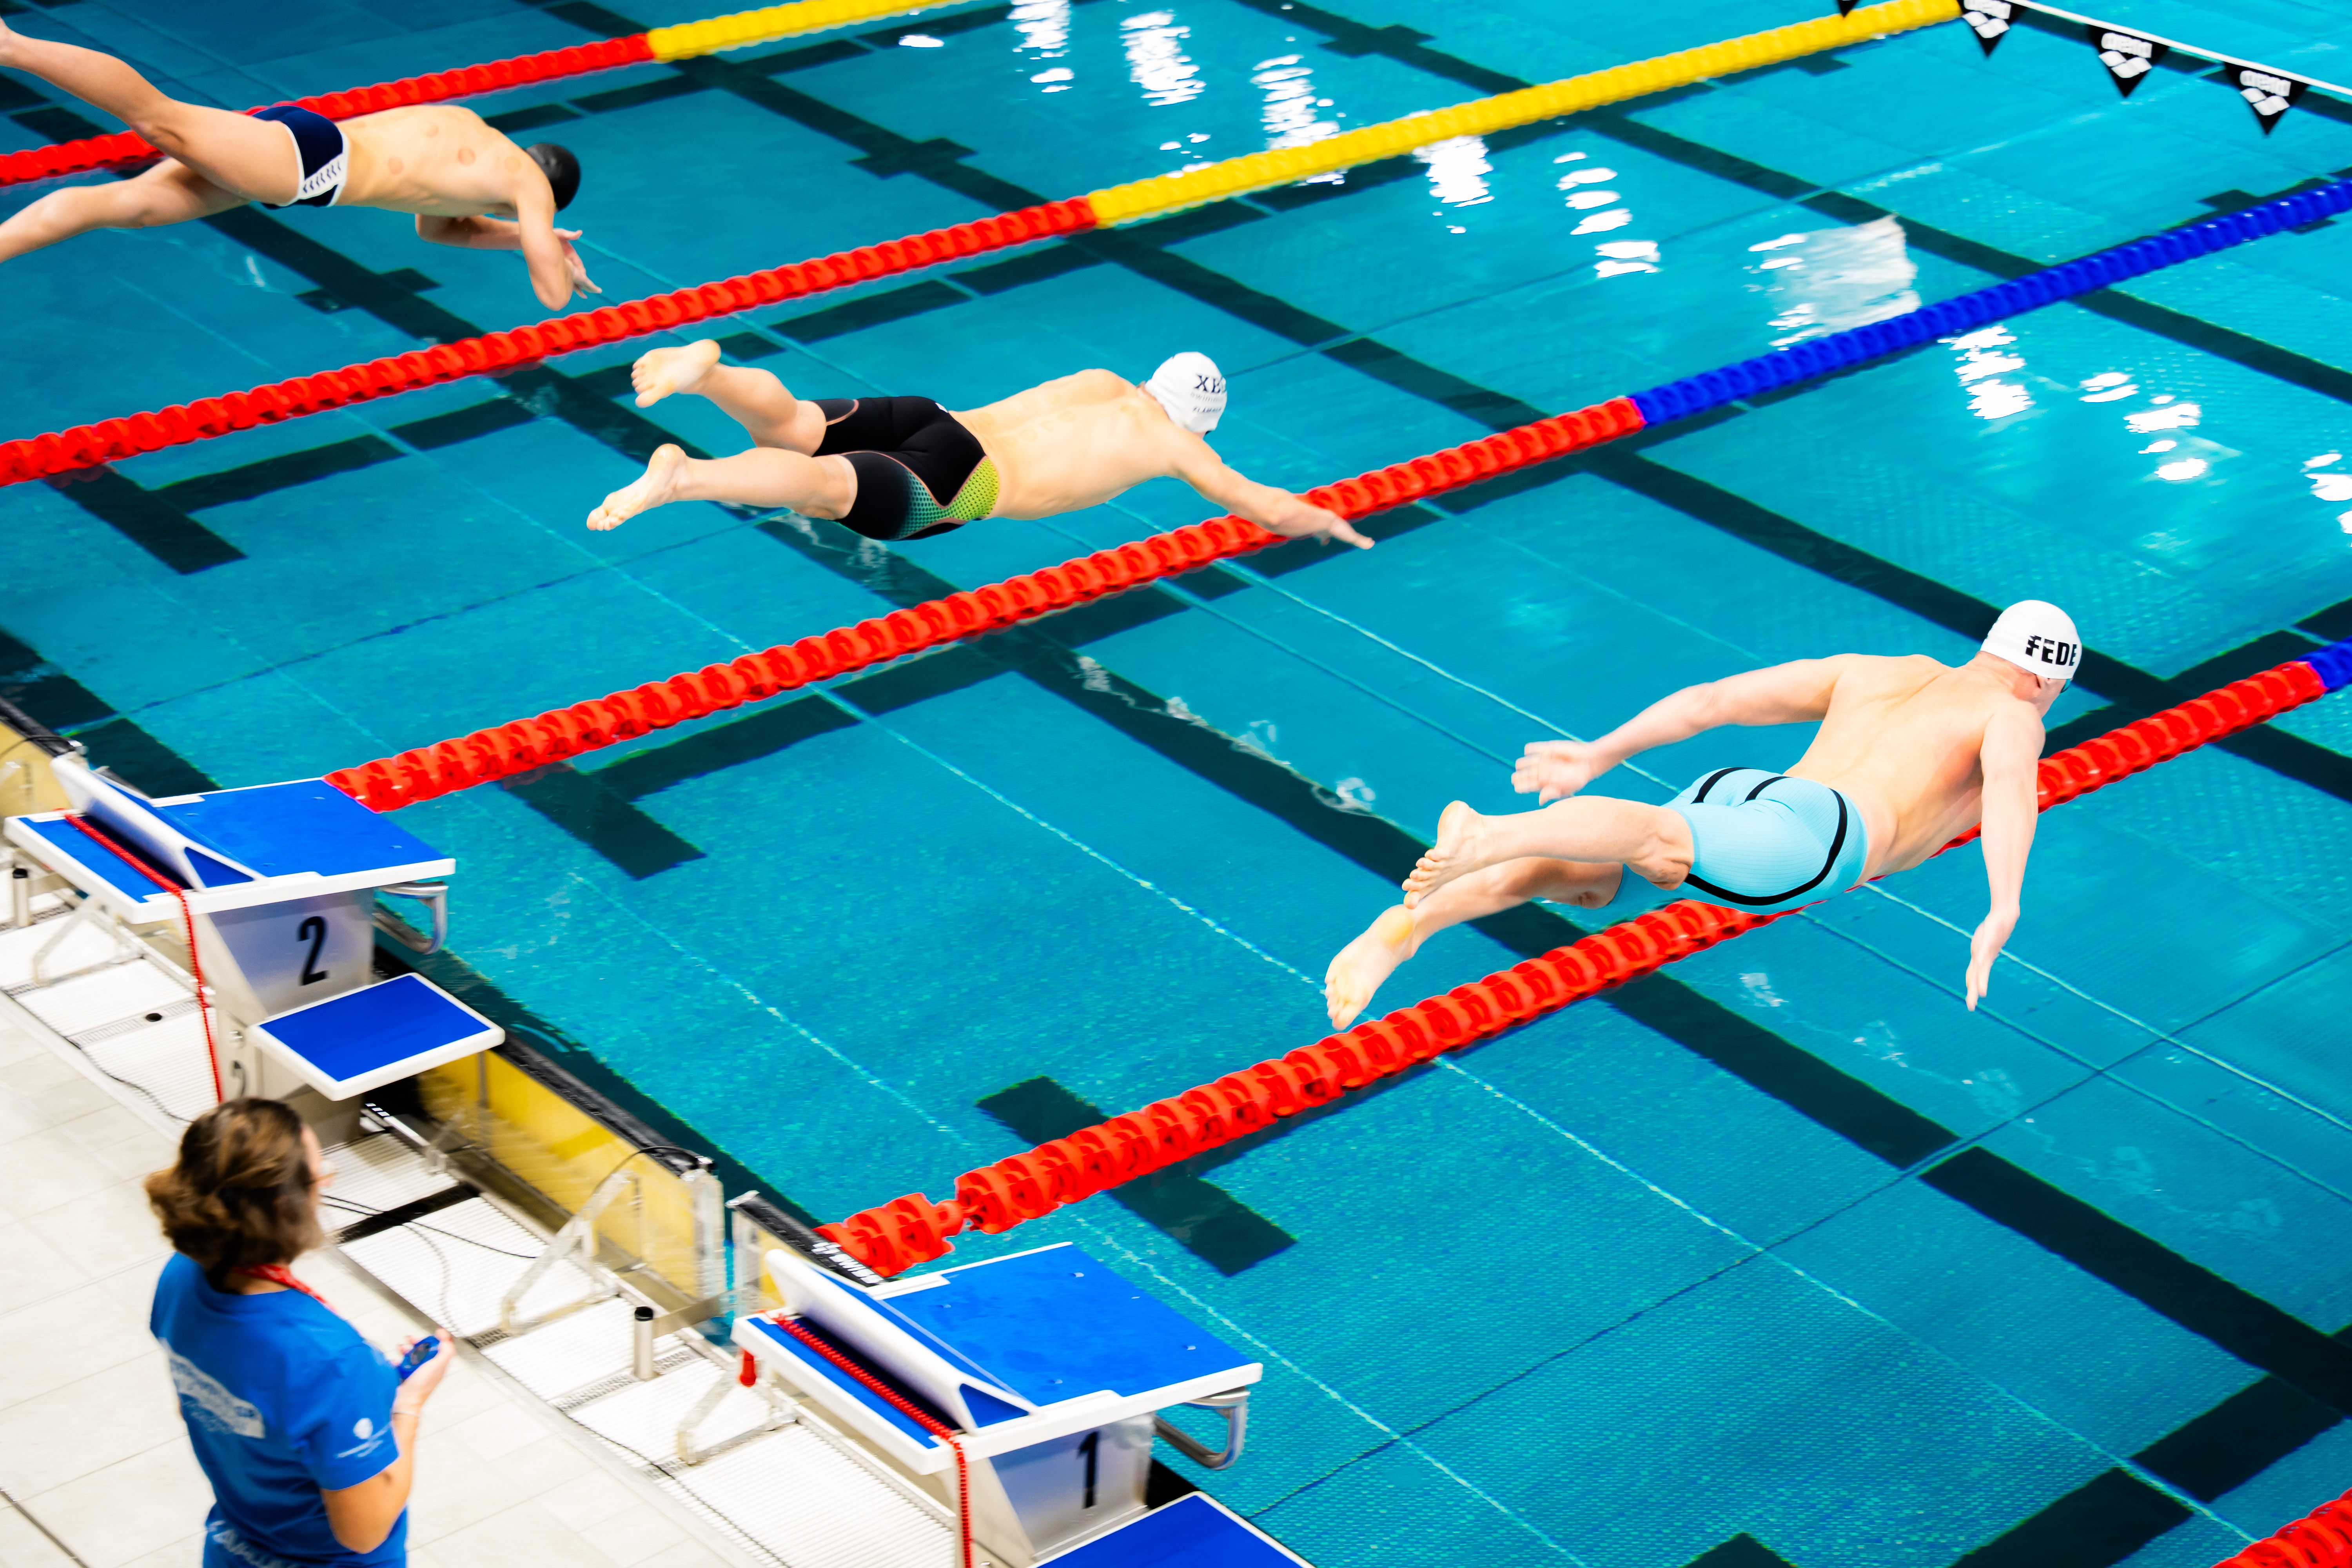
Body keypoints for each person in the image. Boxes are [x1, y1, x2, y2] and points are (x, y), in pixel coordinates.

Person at [1323, 601, 2083, 1028]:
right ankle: (1492, 833)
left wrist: (1599, 752)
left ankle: (1406, 928)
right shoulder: (2015, 714)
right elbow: (2014, 786)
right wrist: (2003, 906)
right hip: (1823, 837)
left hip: (1751, 791)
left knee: (1588, 883)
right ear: (2047, 679)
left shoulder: (1885, 672)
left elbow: (1713, 701)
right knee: (1657, 844)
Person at [0, 16, 596, 310]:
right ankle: (11, 43)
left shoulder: (477, 138)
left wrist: (521, 234)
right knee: (157, 117)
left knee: (125, 206)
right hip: (312, 166)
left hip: (305, 146)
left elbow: (437, 227)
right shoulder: (525, 184)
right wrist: (541, 238)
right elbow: (550, 297)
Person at [583, 339, 1376, 548]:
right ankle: (687, 477)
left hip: (939, 418)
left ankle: (713, 373)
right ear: (1197, 420)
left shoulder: (1104, 381)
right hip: (968, 480)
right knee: (823, 489)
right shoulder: (1175, 444)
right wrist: (1330, 519)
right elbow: (1259, 503)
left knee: (792, 423)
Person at [146, 1098, 452, 1568]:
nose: (326, 1179)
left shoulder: (182, 1278)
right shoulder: (328, 1359)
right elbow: (364, 1532)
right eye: (319, 1170)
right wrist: (407, 1407)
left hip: (234, 1550)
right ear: (288, 1204)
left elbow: (207, 1406)